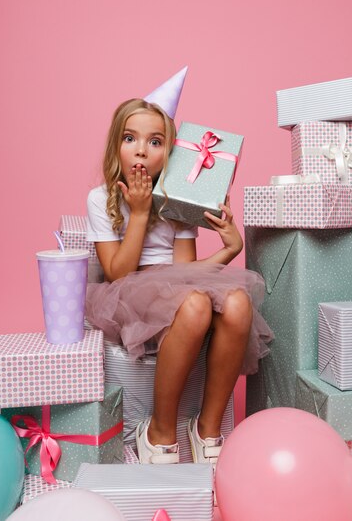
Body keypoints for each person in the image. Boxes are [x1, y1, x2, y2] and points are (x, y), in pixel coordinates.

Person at [86, 68, 273, 466]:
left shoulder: (177, 203)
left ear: (169, 152)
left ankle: (207, 429)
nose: (141, 150)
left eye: (155, 142)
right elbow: (118, 272)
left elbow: (187, 274)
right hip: (126, 291)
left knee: (237, 302)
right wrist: (138, 213)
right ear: (115, 145)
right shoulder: (100, 198)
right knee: (195, 305)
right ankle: (160, 431)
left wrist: (229, 249)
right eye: (130, 138)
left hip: (171, 287)